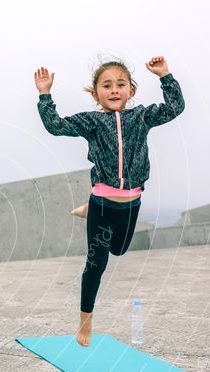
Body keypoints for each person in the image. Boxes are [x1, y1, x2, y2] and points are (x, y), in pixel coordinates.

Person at [34, 56, 185, 346]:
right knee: (96, 264)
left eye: (120, 84)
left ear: (131, 90)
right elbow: (54, 126)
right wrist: (44, 94)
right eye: (106, 85)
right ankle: (85, 323)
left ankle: (86, 211)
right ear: (95, 94)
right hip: (103, 201)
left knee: (119, 250)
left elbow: (175, 108)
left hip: (132, 201)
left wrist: (165, 75)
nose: (114, 90)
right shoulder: (92, 122)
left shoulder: (141, 117)